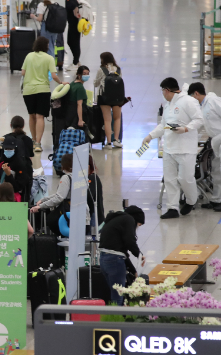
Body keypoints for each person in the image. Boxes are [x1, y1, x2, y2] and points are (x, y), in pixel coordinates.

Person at [142, 77, 203, 219]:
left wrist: (186, 129)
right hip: (169, 148)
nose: (163, 94)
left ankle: (191, 200)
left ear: (167, 90)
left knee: (185, 178)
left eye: (163, 91)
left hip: (186, 148)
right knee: (170, 180)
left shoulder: (188, 101)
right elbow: (164, 125)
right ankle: (172, 208)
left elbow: (199, 120)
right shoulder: (168, 105)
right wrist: (150, 136)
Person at [22, 37, 68, 152]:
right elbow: (53, 75)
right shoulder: (49, 58)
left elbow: (23, 72)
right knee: (40, 116)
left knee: (31, 116)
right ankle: (38, 143)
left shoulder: (29, 56)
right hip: (42, 90)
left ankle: (32, 140)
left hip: (28, 90)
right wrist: (61, 82)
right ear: (46, 46)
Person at [30, 154, 90, 235]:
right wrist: (44, 199)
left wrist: (40, 206)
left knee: (51, 220)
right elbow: (63, 194)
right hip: (83, 213)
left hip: (69, 214)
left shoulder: (66, 178)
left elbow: (60, 197)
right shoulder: (82, 177)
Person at [98, 206, 146, 306]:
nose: (137, 228)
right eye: (138, 224)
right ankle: (116, 320)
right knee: (118, 297)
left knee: (114, 294)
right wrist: (139, 254)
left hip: (103, 259)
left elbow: (121, 252)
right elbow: (130, 241)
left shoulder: (116, 219)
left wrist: (133, 271)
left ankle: (113, 319)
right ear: (135, 219)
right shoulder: (129, 219)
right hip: (114, 261)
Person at [188, 82, 221, 211]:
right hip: (216, 141)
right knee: (216, 171)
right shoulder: (202, 106)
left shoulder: (213, 101)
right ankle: (216, 200)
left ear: (196, 93)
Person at [94, 52, 124, 149]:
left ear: (103, 59)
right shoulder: (118, 69)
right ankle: (116, 140)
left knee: (107, 120)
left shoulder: (101, 69)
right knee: (117, 118)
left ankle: (109, 143)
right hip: (117, 98)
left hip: (104, 97)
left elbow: (96, 83)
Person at [0, 135, 34, 203]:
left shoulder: (21, 165)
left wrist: (9, 175)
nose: (8, 151)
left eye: (10, 149)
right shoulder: (2, 163)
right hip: (1, 199)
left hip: (15, 201)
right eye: (6, 149)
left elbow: (18, 187)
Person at [65, 0, 82, 71]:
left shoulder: (72, 1)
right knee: (72, 42)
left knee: (73, 43)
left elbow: (76, 7)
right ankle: (77, 61)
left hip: (75, 25)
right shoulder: (68, 1)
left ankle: (75, 63)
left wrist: (76, 14)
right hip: (72, 24)